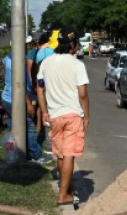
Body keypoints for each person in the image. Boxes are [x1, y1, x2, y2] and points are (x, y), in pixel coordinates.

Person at [36, 33, 90, 208]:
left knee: (60, 154)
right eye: (78, 43)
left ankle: (67, 188)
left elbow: (40, 89)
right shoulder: (77, 64)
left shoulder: (46, 63)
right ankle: (62, 196)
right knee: (69, 154)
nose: (79, 46)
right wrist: (87, 116)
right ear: (72, 44)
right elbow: (82, 94)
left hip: (55, 115)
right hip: (73, 114)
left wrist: (44, 112)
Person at [2, 37, 49, 164]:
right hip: (17, 100)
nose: (27, 47)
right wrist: (29, 104)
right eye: (25, 45)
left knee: (13, 127)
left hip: (8, 98)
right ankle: (35, 154)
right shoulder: (16, 62)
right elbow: (19, 85)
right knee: (29, 126)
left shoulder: (8, 58)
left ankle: (14, 153)